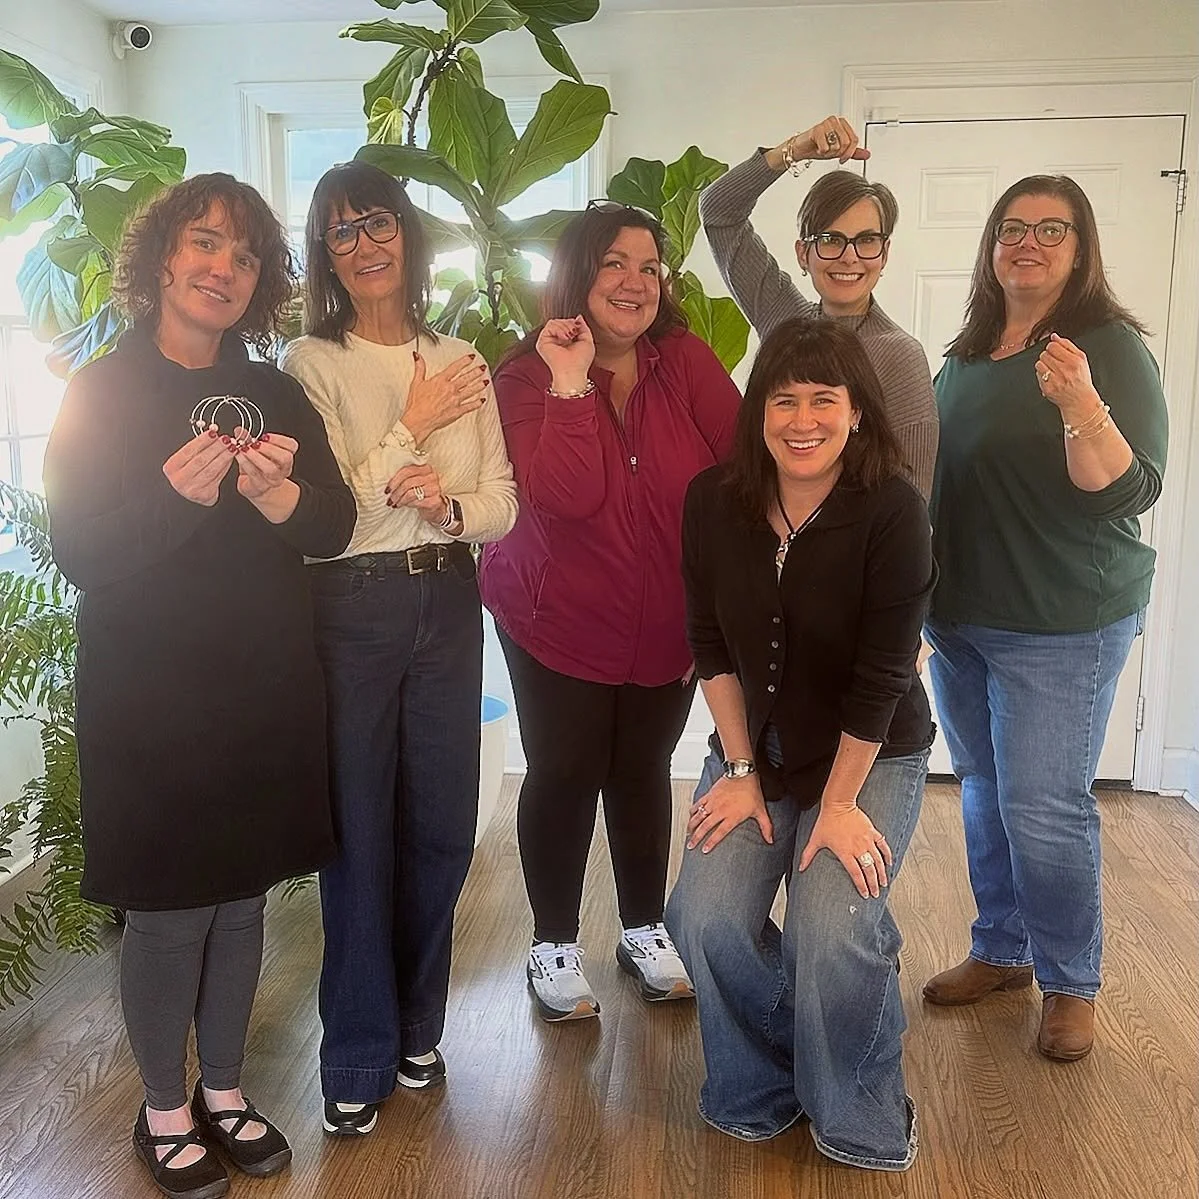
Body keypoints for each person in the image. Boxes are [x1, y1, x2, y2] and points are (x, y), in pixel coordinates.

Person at [43, 173, 356, 1199]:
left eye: (245, 254)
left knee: (240, 900)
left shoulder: (273, 390)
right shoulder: (99, 390)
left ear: (259, 280)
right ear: (163, 259)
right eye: (204, 243)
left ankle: (224, 1089)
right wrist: (176, 496)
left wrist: (277, 496)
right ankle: (164, 1105)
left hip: (261, 685)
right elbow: (81, 551)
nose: (223, 267)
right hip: (148, 695)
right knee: (171, 906)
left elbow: (334, 525)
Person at [279, 161, 517, 1135]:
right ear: (325, 255)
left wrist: (450, 504)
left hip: (449, 605)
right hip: (354, 610)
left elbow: (502, 499)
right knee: (360, 835)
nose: (365, 243)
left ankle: (419, 1023)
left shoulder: (463, 356)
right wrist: (410, 427)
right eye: (342, 232)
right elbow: (327, 526)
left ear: (407, 237)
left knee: (440, 827)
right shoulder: (311, 364)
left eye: (378, 223)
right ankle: (355, 1051)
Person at [665, 317, 934, 1172]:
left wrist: (842, 803)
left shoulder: (893, 509)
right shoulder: (713, 500)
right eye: (784, 398)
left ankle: (857, 1105)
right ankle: (760, 1079)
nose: (803, 418)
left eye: (825, 398)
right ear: (760, 411)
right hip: (761, 749)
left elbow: (883, 674)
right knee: (702, 917)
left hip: (869, 753)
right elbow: (709, 640)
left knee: (833, 924)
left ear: (856, 412)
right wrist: (739, 769)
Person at [920, 176, 1169, 1061]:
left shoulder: (1106, 345)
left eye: (1049, 228)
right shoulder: (967, 351)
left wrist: (1080, 405)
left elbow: (1132, 489)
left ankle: (1071, 981)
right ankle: (1001, 948)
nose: (1027, 242)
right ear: (990, 245)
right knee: (984, 791)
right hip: (960, 617)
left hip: (1063, 619)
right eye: (1011, 227)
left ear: (1079, 245)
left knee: (1043, 806)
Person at [478, 202, 742, 1021]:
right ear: (577, 274)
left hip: (666, 615)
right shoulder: (522, 376)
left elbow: (740, 468)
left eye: (649, 267)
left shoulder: (686, 362)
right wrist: (569, 383)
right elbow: (566, 492)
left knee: (639, 769)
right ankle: (552, 941)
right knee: (562, 768)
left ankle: (642, 926)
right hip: (556, 614)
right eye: (614, 264)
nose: (634, 282)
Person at [699, 114, 938, 499]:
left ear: (885, 253)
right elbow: (718, 213)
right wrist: (794, 150)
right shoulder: (783, 319)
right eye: (830, 239)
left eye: (867, 240)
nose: (849, 257)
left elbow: (911, 507)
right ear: (803, 253)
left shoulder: (900, 356)